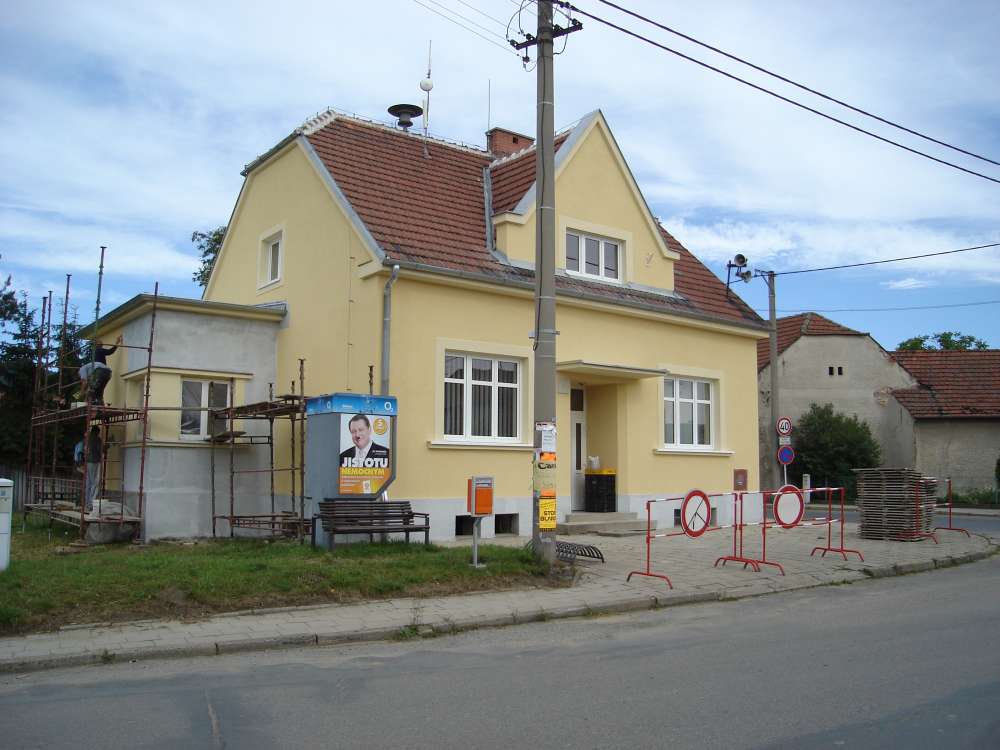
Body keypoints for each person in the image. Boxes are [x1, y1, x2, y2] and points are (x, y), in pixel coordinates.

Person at [78, 335, 123, 405]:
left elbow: (84, 382)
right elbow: (88, 382)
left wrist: (81, 392)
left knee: (91, 390)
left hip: (100, 371)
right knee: (99, 393)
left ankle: (86, 405)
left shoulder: (82, 369)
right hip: (108, 373)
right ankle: (100, 406)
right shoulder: (91, 369)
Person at [75, 426, 103, 513]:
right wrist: (108, 445)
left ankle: (86, 503)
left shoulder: (86, 440)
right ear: (97, 432)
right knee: (95, 482)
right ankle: (91, 503)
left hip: (87, 462)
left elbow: (82, 450)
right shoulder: (97, 440)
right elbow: (100, 450)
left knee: (88, 483)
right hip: (94, 461)